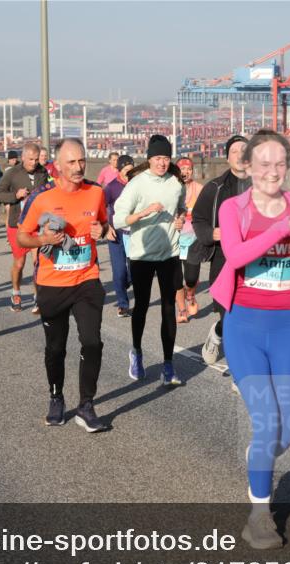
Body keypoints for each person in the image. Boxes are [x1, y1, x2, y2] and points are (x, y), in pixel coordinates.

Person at [209, 129, 290, 549]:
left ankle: (260, 462)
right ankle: (259, 515)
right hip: (245, 326)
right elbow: (236, 256)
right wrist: (284, 229)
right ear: (249, 167)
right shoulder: (234, 208)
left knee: (284, 435)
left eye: (280, 163)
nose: (272, 171)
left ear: (287, 166)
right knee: (267, 423)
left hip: (289, 323)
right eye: (263, 163)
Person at [17, 137, 114, 432]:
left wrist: (104, 230)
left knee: (92, 341)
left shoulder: (96, 193)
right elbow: (23, 236)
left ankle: (86, 405)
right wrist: (44, 240)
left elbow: (105, 227)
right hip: (52, 283)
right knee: (56, 348)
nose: (78, 166)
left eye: (82, 160)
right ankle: (56, 397)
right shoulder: (41, 197)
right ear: (57, 166)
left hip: (86, 279)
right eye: (71, 162)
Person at [113, 135, 187, 386]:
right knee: (142, 307)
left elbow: (182, 207)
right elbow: (118, 220)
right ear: (149, 159)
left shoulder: (176, 182)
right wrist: (144, 212)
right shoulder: (137, 184)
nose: (162, 163)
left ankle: (168, 364)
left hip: (169, 253)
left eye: (166, 158)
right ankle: (136, 351)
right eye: (157, 158)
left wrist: (180, 218)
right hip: (142, 255)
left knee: (169, 309)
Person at [191, 135, 250, 364]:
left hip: (253, 260)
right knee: (229, 314)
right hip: (224, 260)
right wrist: (210, 233)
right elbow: (198, 218)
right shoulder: (215, 188)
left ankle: (220, 335)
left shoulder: (264, 186)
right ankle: (234, 360)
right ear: (227, 158)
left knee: (246, 317)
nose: (240, 155)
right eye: (234, 152)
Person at [0, 142, 47, 312]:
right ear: (23, 157)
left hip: (37, 224)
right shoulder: (12, 173)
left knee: (38, 262)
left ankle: (37, 297)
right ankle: (16, 292)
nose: (34, 162)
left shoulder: (43, 171)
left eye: (36, 159)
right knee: (19, 263)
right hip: (17, 224)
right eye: (31, 159)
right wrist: (15, 195)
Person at [103, 154, 135, 317]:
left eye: (131, 170)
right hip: (116, 233)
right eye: (126, 170)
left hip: (135, 233)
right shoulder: (111, 187)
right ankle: (123, 304)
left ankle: (124, 284)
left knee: (134, 271)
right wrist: (107, 227)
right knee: (119, 270)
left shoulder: (137, 185)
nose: (129, 174)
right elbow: (100, 207)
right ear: (120, 170)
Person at [174, 157, 203, 323]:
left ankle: (190, 294)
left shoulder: (200, 189)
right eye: (182, 169)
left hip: (193, 241)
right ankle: (182, 309)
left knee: (191, 277)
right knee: (176, 279)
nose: (185, 172)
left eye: (188, 169)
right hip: (173, 241)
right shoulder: (170, 189)